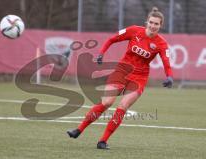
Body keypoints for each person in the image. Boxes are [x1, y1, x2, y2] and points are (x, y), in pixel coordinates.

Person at [67, 7, 173, 150]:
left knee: (123, 106)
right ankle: (78, 130)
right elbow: (112, 39)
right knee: (106, 102)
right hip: (121, 71)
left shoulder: (161, 43)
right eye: (151, 22)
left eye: (157, 24)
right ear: (146, 22)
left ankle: (103, 141)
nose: (153, 26)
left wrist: (169, 77)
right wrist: (101, 53)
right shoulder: (134, 30)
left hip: (139, 77)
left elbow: (166, 62)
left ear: (161, 26)